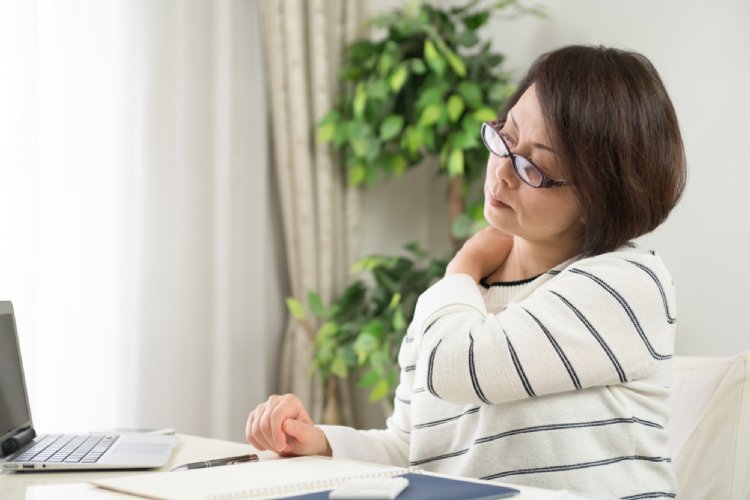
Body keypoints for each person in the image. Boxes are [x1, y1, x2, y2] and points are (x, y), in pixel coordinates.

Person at [246, 45, 686, 499]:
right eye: (507, 138)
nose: (501, 175)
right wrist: (320, 442)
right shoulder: (455, 303)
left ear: (600, 199)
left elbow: (459, 367)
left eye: (536, 166)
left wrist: (466, 261)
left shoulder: (626, 283)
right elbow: (412, 451)